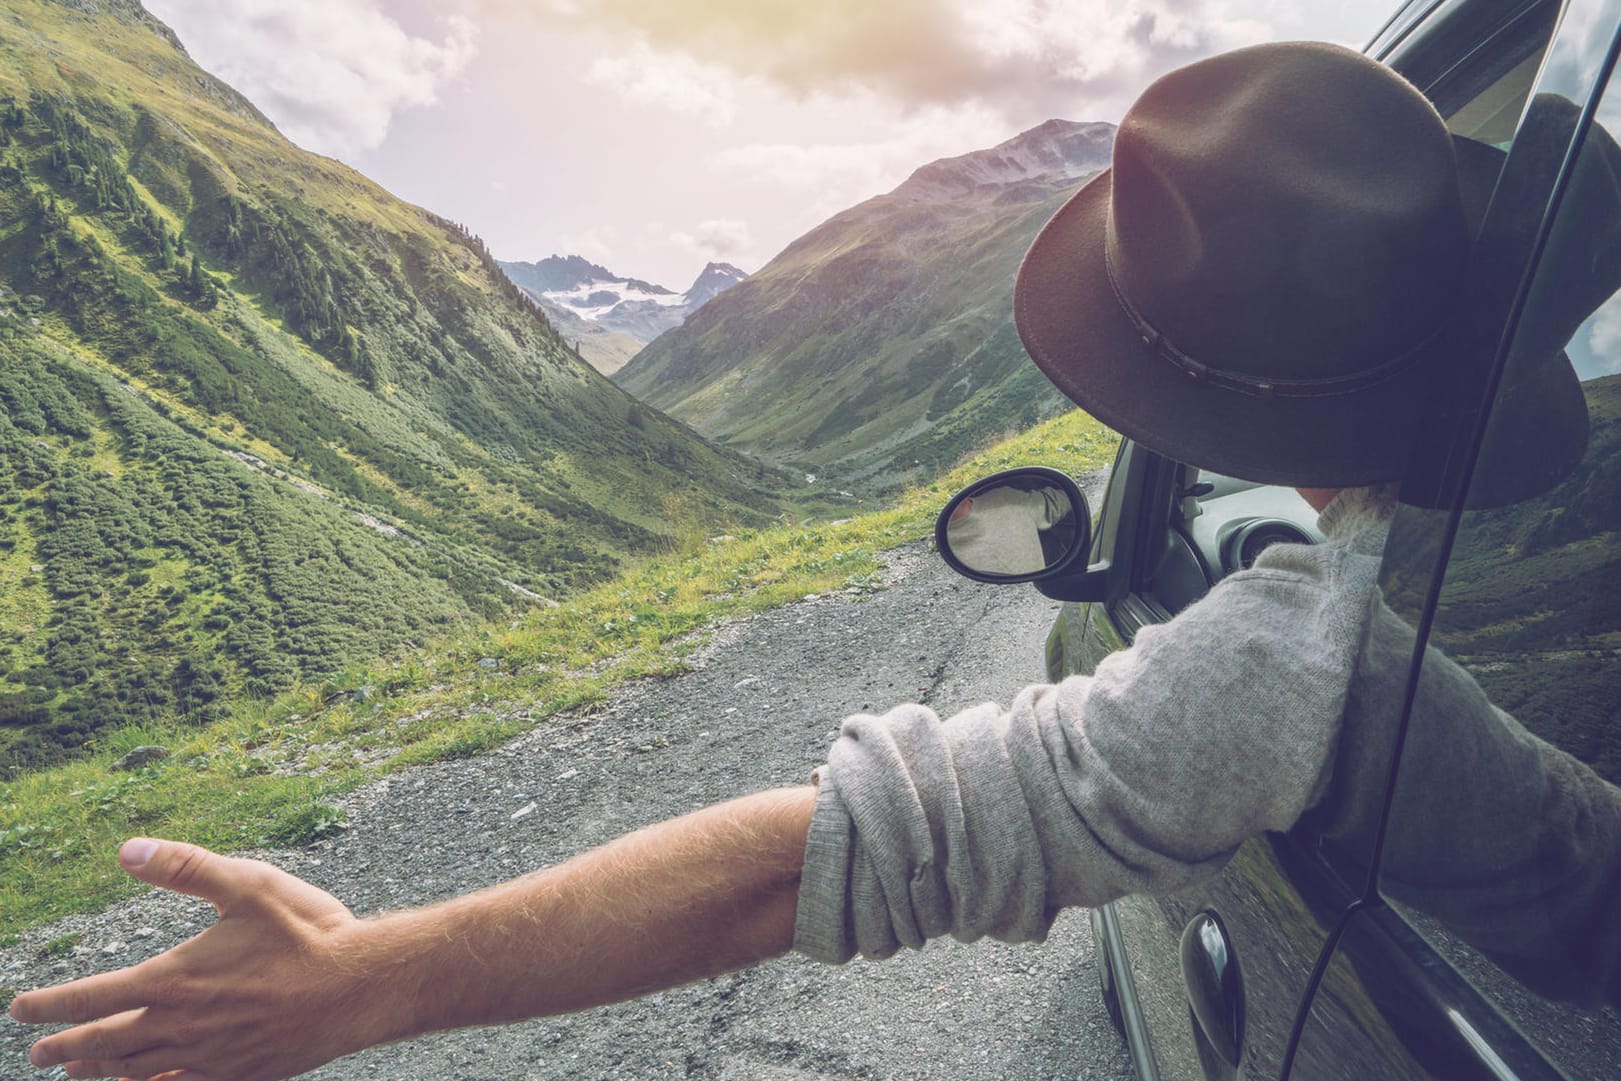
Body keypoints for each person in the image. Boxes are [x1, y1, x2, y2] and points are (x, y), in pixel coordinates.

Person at [14, 41, 1621, 1081]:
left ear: (1192, 383)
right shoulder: (1404, 574)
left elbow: (812, 860)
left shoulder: (1272, 661)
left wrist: (364, 976)